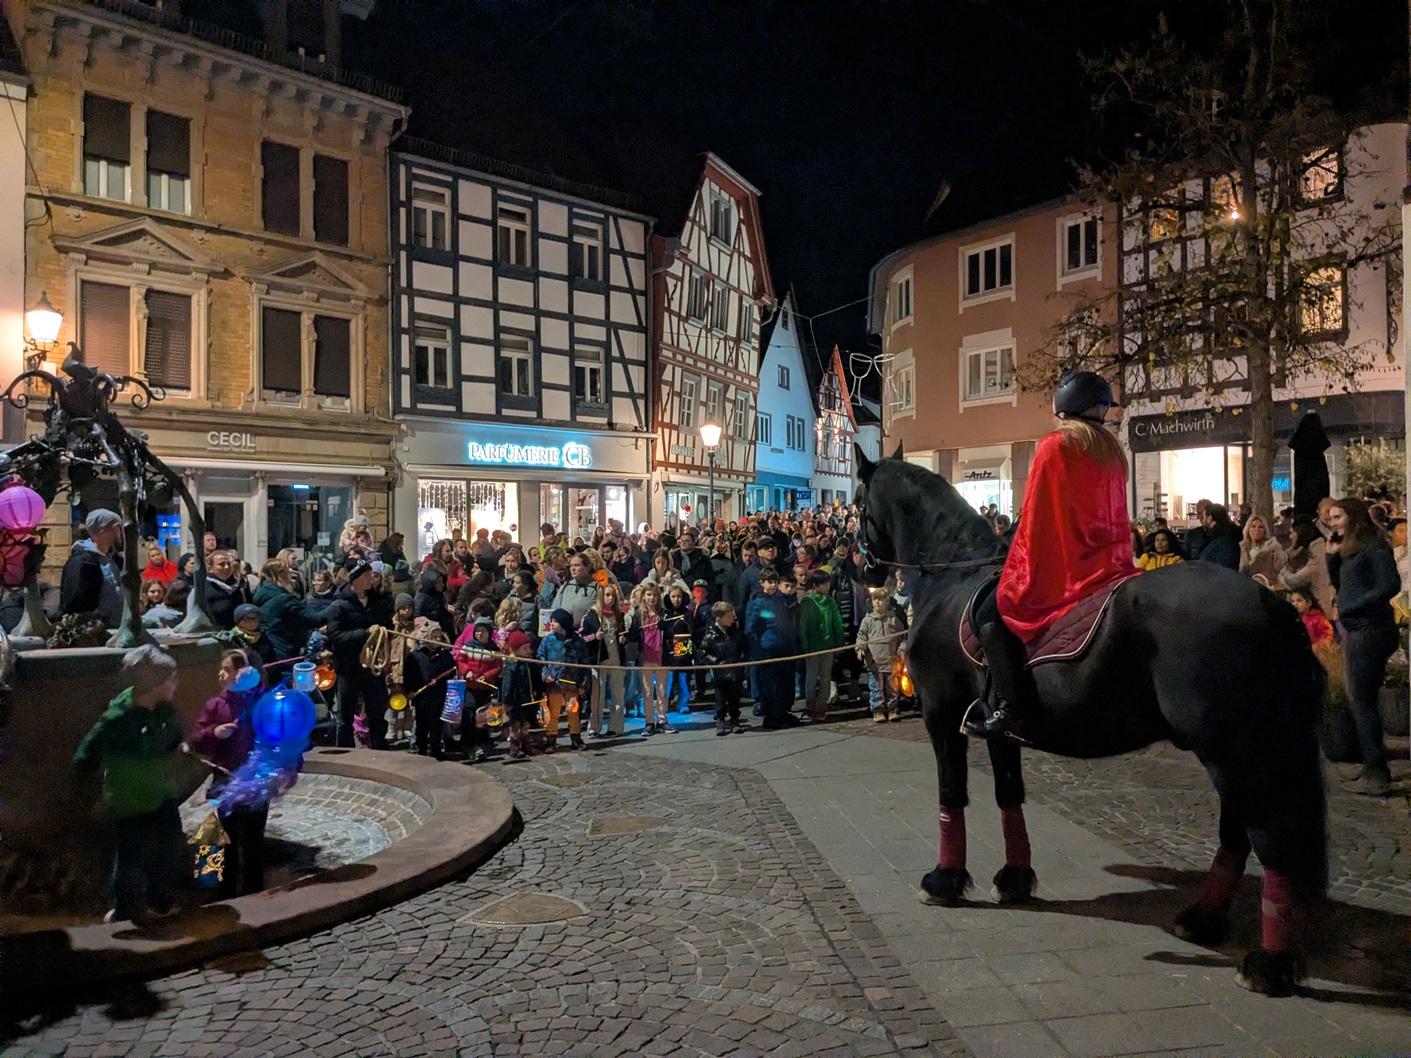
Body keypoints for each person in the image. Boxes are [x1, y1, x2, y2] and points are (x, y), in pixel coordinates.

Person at [967, 372, 1133, 742]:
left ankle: (1011, 708)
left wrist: (1015, 554)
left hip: (1070, 567)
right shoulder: (1112, 451)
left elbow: (1037, 516)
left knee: (990, 613)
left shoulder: (1056, 445)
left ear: (1063, 406)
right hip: (1110, 562)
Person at [72, 645, 188, 925]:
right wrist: (89, 793)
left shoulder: (164, 710)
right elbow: (86, 754)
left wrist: (180, 745)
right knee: (130, 858)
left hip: (161, 794)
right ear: (154, 685)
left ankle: (160, 900)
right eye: (171, 678)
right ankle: (124, 908)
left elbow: (174, 735)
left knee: (168, 846)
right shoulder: (117, 719)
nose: (176, 683)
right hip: (129, 800)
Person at [1326, 498, 1400, 796]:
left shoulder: (1374, 547)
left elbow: (1390, 585)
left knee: (1362, 700)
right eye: (1331, 518)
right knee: (1360, 699)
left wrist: (1353, 606)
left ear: (1353, 517)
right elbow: (1339, 583)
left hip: (1371, 630)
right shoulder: (1350, 549)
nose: (1332, 522)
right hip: (1356, 629)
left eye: (1337, 517)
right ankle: (1372, 763)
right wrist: (1331, 557)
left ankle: (1377, 771)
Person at [191, 649, 268, 897]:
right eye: (221, 669)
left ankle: (255, 890)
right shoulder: (216, 705)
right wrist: (213, 732)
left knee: (254, 839)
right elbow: (197, 740)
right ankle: (226, 891)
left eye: (227, 670)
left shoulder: (263, 704)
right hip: (225, 780)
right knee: (227, 837)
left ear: (245, 673)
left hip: (256, 783)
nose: (220, 674)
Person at [325, 559, 391, 749]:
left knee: (377, 711)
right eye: (367, 575)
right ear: (356, 579)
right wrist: (365, 633)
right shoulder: (340, 605)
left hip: (373, 666)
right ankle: (345, 750)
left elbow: (388, 626)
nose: (372, 578)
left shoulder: (379, 602)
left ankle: (379, 748)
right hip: (348, 667)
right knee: (345, 714)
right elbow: (336, 636)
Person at [746, 569, 799, 729]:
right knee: (770, 685)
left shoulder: (779, 600)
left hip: (784, 647)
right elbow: (751, 629)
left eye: (775, 582)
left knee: (784, 683)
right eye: (770, 582)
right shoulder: (757, 603)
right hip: (768, 649)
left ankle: (782, 712)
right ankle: (770, 717)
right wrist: (757, 651)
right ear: (762, 583)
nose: (773, 585)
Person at [61, 508, 126, 626]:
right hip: (96, 631)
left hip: (117, 628)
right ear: (104, 530)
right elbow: (76, 602)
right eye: (117, 527)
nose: (120, 532)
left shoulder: (115, 559)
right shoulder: (82, 562)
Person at [536, 607, 589, 751]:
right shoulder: (548, 640)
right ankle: (551, 739)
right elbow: (541, 659)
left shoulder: (577, 642)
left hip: (572, 683)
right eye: (551, 621)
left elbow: (584, 664)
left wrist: (583, 684)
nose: (552, 624)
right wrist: (545, 675)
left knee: (573, 712)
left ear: (564, 624)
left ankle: (576, 737)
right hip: (554, 683)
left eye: (555, 621)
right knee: (553, 713)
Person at [582, 582, 627, 738]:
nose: (610, 599)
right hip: (599, 660)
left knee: (618, 694)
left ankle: (616, 727)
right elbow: (582, 638)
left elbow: (623, 633)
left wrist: (623, 639)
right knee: (597, 696)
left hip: (616, 659)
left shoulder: (618, 615)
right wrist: (595, 636)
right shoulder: (591, 615)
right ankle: (594, 727)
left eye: (613, 596)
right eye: (607, 595)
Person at [799, 569, 845, 721]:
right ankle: (810, 706)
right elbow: (803, 625)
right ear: (816, 585)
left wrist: (839, 641)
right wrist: (804, 644)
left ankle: (821, 707)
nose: (828, 587)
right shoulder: (807, 602)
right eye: (825, 584)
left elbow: (837, 622)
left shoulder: (830, 602)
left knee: (825, 678)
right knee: (811, 678)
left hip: (828, 645)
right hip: (812, 647)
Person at [253, 559, 320, 662]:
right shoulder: (284, 598)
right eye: (286, 569)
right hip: (283, 647)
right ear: (278, 574)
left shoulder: (261, 591)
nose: (290, 571)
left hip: (271, 644)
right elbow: (310, 619)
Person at [406, 619, 453, 760]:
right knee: (422, 724)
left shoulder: (445, 656)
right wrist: (410, 690)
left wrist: (440, 681)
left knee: (437, 725)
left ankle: (436, 749)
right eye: (434, 636)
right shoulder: (415, 656)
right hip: (422, 696)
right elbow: (409, 676)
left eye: (439, 637)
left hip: (439, 695)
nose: (437, 640)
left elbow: (451, 673)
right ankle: (421, 748)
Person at [857, 587, 906, 722]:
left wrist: (902, 650)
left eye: (880, 600)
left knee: (892, 688)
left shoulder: (893, 619)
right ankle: (878, 710)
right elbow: (861, 636)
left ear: (886, 602)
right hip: (875, 662)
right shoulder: (868, 620)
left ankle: (892, 709)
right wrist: (860, 648)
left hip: (891, 661)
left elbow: (902, 637)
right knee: (876, 688)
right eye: (875, 600)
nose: (877, 603)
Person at [699, 601, 744, 735]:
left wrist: (741, 660)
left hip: (735, 668)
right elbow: (702, 653)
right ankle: (720, 719)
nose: (732, 619)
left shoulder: (736, 633)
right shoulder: (710, 635)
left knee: (735, 696)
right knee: (720, 697)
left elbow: (742, 648)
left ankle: (735, 719)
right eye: (729, 616)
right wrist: (716, 662)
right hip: (720, 672)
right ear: (719, 618)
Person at [632, 585, 670, 734]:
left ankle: (662, 720)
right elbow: (633, 636)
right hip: (645, 656)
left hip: (661, 656)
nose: (651, 598)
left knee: (662, 691)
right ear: (643, 596)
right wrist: (631, 633)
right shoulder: (638, 614)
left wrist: (666, 628)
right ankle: (649, 721)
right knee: (647, 692)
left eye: (654, 595)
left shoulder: (664, 614)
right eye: (649, 595)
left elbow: (671, 633)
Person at [499, 628, 538, 760]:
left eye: (528, 648)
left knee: (525, 724)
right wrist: (506, 701)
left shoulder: (529, 663)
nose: (529, 651)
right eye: (524, 648)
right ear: (515, 650)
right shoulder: (512, 665)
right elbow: (507, 685)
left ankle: (526, 744)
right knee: (515, 726)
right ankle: (515, 747)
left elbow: (534, 679)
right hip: (515, 700)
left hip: (527, 699)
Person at [205, 550, 252, 630]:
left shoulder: (239, 585)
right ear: (210, 568)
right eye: (221, 564)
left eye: (229, 564)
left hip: (239, 631)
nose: (227, 567)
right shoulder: (204, 588)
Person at [1239, 515, 1286, 585]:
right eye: (1253, 526)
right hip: (1246, 586)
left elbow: (1281, 567)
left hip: (1267, 586)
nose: (1257, 530)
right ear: (1248, 529)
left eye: (1260, 527)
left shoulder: (1272, 545)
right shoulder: (1242, 547)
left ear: (1265, 530)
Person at [414, 569, 456, 642]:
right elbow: (419, 620)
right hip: (432, 637)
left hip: (445, 633)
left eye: (442, 581)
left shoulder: (438, 594)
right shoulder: (422, 599)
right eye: (439, 582)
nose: (442, 584)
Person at [1195, 504, 1241, 569]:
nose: (1202, 519)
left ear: (1210, 518)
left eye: (1204, 516)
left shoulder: (1219, 539)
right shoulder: (1230, 535)